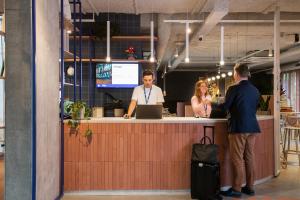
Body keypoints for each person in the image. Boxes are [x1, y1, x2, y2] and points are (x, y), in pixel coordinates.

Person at [220, 63, 260, 198]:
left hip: (239, 127)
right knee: (249, 157)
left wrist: (213, 105)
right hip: (253, 127)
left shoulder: (233, 89)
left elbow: (225, 107)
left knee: (237, 158)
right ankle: (250, 187)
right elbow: (255, 108)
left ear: (236, 74)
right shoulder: (255, 90)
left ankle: (237, 189)